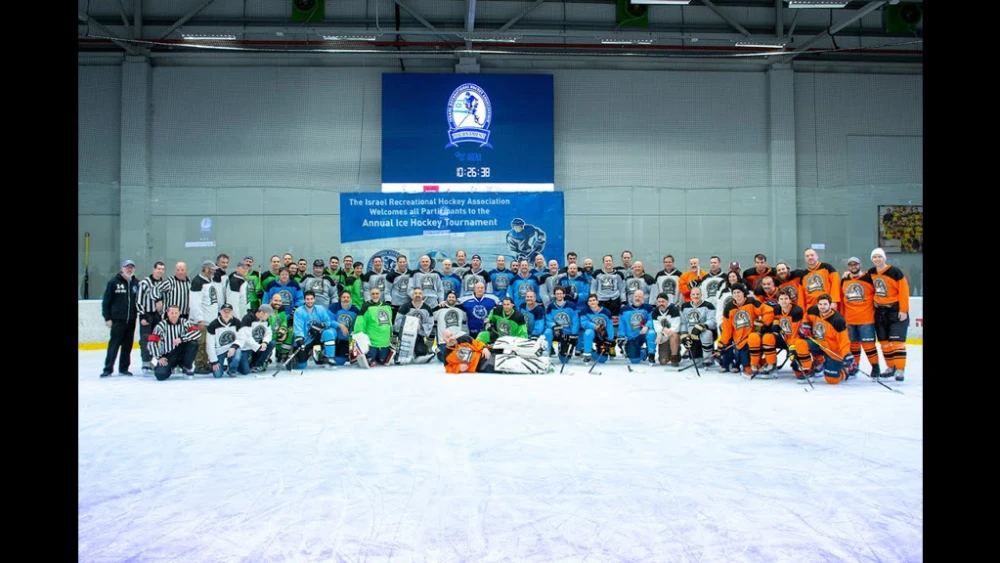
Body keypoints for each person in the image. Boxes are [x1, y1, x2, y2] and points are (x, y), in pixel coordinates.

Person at [869, 247, 911, 381]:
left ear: (884, 258)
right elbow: (860, 280)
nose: (877, 259)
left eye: (879, 256)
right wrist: (847, 274)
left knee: (897, 342)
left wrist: (903, 310)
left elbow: (904, 291)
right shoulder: (871, 273)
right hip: (880, 311)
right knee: (884, 343)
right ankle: (890, 366)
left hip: (895, 310)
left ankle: (900, 369)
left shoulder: (895, 272)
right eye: (874, 257)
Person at [840, 257, 879, 378]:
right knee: (853, 345)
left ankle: (875, 367)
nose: (853, 267)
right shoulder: (844, 280)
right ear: (848, 267)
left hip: (866, 319)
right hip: (850, 319)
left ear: (860, 264)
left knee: (869, 345)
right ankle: (854, 366)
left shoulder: (868, 277)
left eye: (855, 264)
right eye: (851, 265)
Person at [801, 293, 852, 385]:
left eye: (825, 304)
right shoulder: (813, 310)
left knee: (832, 380)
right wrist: (806, 324)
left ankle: (844, 371)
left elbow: (844, 340)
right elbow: (806, 316)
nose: (822, 307)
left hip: (832, 350)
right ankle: (809, 369)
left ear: (830, 305)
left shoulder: (837, 320)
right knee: (800, 343)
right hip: (818, 344)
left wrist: (846, 354)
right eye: (820, 304)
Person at [101, 259, 139, 377]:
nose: (129, 269)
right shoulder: (113, 282)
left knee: (127, 346)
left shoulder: (136, 283)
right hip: (118, 320)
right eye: (127, 267)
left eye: (132, 267)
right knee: (114, 345)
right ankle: (108, 369)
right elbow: (106, 301)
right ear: (122, 268)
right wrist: (107, 317)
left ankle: (124, 368)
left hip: (131, 320)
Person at [146, 304, 201, 380]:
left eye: (176, 313)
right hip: (168, 355)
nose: (174, 315)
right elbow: (152, 342)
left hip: (181, 352)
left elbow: (197, 333)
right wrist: (159, 357)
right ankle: (170, 367)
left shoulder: (184, 322)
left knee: (193, 343)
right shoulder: (161, 325)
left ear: (179, 313)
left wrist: (181, 339)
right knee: (160, 375)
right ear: (168, 313)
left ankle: (186, 366)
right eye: (172, 313)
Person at [189, 260, 221, 373]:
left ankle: (205, 362)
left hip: (211, 319)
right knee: (201, 344)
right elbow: (194, 303)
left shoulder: (209, 281)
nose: (214, 271)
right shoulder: (198, 282)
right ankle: (199, 365)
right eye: (212, 269)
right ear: (206, 269)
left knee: (208, 343)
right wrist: (199, 319)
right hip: (202, 320)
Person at [352, 287, 395, 366]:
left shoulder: (387, 306)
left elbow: (390, 322)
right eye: (373, 294)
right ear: (370, 295)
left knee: (382, 360)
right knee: (370, 360)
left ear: (380, 294)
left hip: (384, 342)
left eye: (377, 293)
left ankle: (382, 355)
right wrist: (359, 336)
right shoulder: (366, 306)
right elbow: (360, 322)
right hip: (371, 342)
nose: (375, 295)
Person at [136, 261, 166, 374]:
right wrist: (142, 316)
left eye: (162, 269)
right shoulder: (145, 283)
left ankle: (153, 360)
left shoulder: (163, 283)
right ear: (154, 269)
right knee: (145, 339)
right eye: (158, 269)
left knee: (156, 338)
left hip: (158, 316)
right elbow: (138, 301)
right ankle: (146, 362)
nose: (160, 271)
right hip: (147, 315)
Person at [678, 287, 717, 367]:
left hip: (702, 333)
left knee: (707, 334)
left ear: (701, 295)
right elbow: (683, 322)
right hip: (691, 334)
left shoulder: (708, 305)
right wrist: (684, 334)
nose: (696, 296)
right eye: (694, 294)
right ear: (690, 296)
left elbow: (713, 321)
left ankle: (707, 358)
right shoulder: (685, 306)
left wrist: (702, 326)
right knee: (696, 361)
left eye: (698, 294)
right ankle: (693, 355)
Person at [235, 304, 274, 374]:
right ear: (261, 313)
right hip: (246, 347)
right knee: (245, 371)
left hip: (258, 345)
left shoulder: (266, 320)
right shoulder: (247, 319)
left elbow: (268, 333)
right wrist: (257, 347)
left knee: (271, 344)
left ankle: (257, 365)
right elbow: (246, 337)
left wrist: (265, 342)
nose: (269, 317)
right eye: (268, 315)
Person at [206, 303, 242, 378]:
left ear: (232, 312)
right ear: (220, 312)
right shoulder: (213, 325)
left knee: (238, 352)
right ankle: (216, 365)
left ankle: (232, 369)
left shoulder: (237, 322)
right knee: (217, 375)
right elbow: (209, 344)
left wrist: (234, 346)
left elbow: (241, 337)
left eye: (229, 311)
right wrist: (213, 361)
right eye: (224, 311)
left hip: (232, 349)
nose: (226, 313)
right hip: (219, 351)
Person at [327, 291, 361, 365]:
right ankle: (326, 354)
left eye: (348, 297)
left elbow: (358, 324)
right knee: (338, 361)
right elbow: (328, 321)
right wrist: (340, 326)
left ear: (351, 298)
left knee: (340, 361)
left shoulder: (355, 310)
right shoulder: (334, 307)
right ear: (340, 298)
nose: (346, 299)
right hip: (335, 338)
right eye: (344, 297)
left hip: (346, 339)